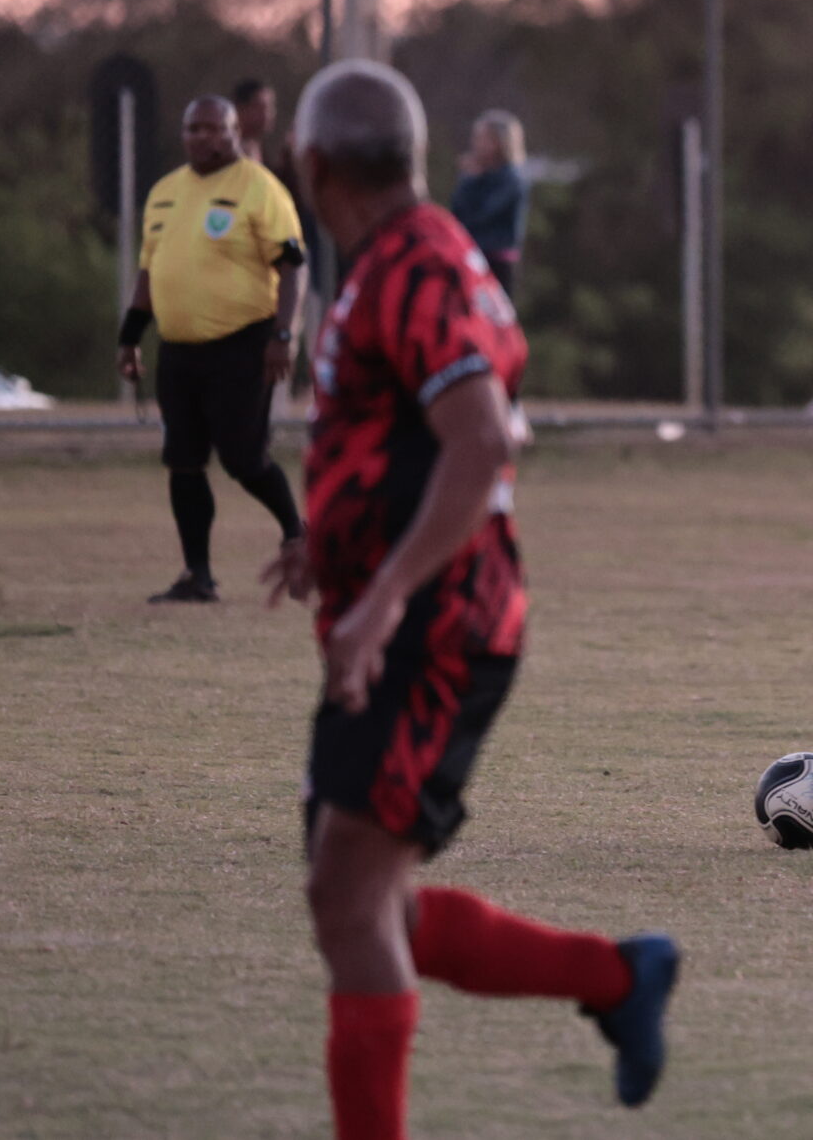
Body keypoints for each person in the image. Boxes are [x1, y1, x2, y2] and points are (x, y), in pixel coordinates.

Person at [262, 60, 678, 1140]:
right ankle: (620, 978)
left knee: (349, 901)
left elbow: (484, 437)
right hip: (405, 618)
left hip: (433, 630)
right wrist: (330, 539)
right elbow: (418, 435)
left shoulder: (414, 265)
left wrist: (382, 598)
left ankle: (621, 980)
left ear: (311, 167)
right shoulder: (401, 261)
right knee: (359, 901)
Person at [117, 95, 307, 604]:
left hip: (243, 344)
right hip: (179, 350)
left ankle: (298, 532)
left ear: (232, 132)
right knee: (182, 459)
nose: (201, 137)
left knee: (244, 458)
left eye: (212, 128)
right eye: (192, 128)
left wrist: (283, 334)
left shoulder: (259, 187)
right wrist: (131, 336)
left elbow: (293, 265)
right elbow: (149, 271)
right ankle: (197, 575)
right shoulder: (164, 193)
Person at [448, 109, 530, 295]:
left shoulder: (512, 178)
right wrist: (468, 180)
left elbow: (481, 215)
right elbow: (457, 214)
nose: (475, 144)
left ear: (499, 142)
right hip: (471, 257)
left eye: (482, 138)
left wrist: (473, 180)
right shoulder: (476, 175)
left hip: (496, 261)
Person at [234, 77, 281, 166]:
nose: (268, 114)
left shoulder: (265, 152)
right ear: (241, 109)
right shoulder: (228, 154)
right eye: (261, 108)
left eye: (270, 107)